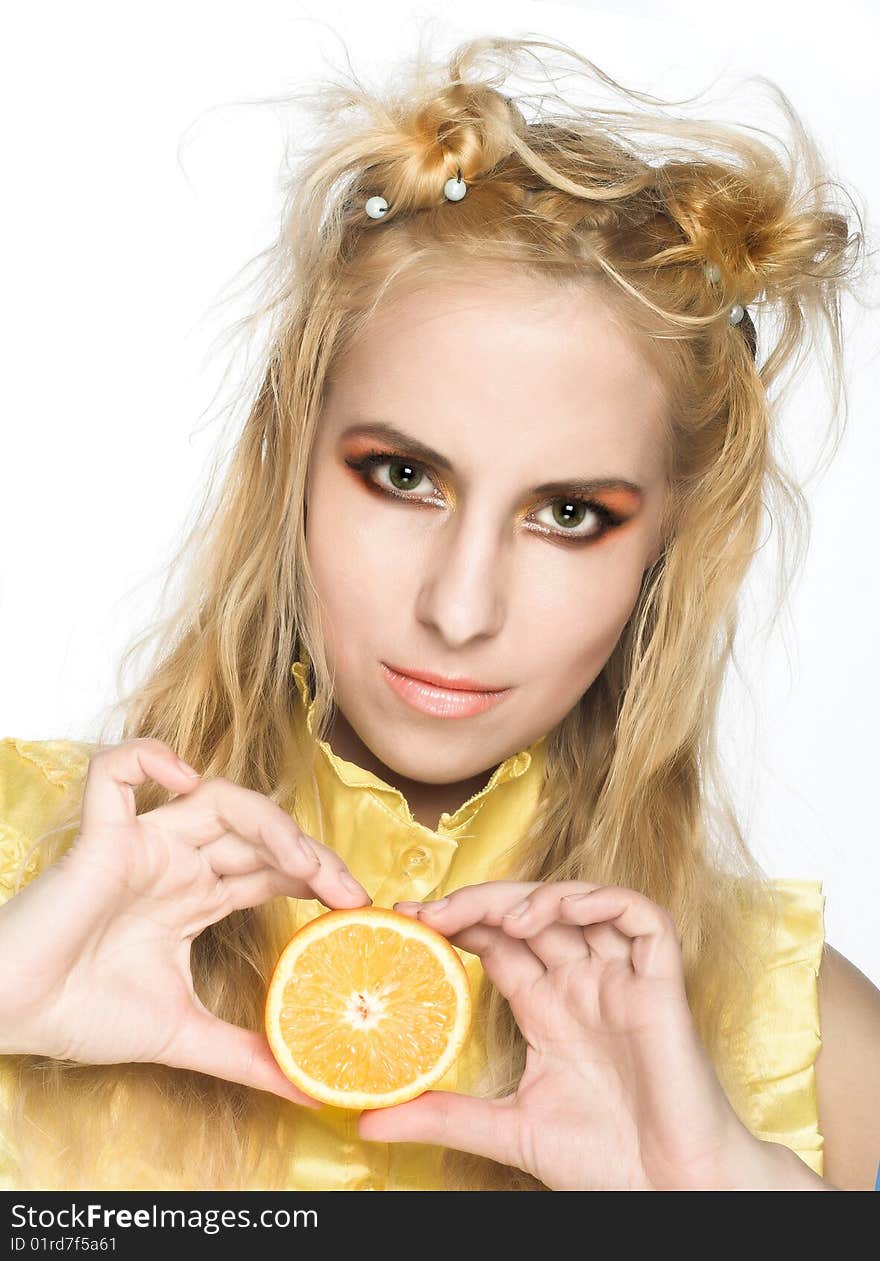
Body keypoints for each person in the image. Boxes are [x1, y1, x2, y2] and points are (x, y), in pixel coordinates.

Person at [1, 33, 878, 1193]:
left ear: (670, 542)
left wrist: (718, 1201)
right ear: (290, 464)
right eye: (403, 477)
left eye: (568, 512)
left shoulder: (806, 1038)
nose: (459, 611)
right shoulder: (23, 876)